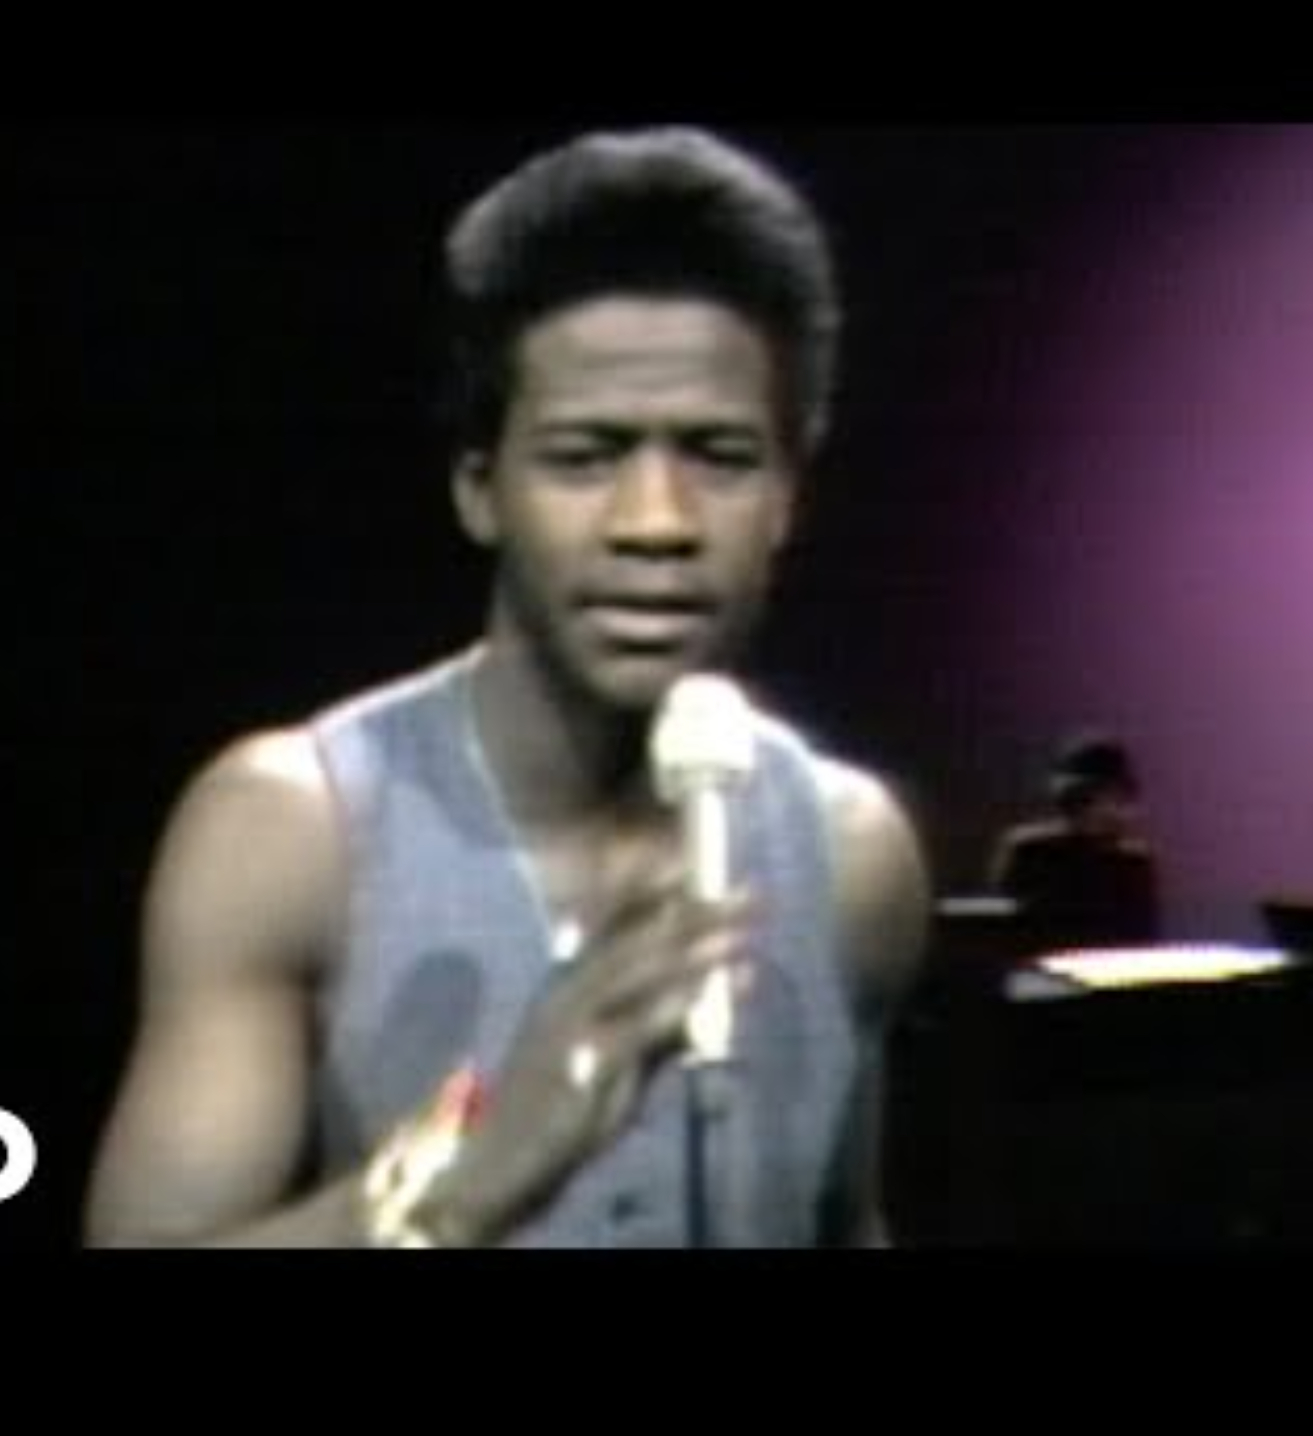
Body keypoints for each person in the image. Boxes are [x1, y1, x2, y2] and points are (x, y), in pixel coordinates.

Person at [83, 127, 930, 1248]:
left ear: (787, 497)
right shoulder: (291, 832)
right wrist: (472, 1180)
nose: (655, 523)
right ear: (480, 487)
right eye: (586, 456)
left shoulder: (855, 859)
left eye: (719, 456)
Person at [985, 730, 1159, 948]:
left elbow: (1141, 944)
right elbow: (1001, 933)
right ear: (1073, 800)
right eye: (1098, 798)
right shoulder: (1029, 852)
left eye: (1118, 798)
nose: (1111, 810)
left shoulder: (1133, 864)